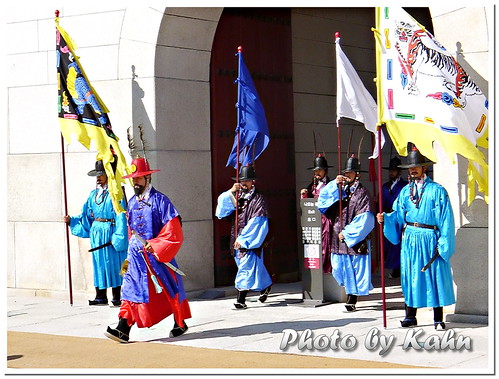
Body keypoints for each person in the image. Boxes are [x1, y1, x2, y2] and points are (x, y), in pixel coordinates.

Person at [105, 157, 191, 343]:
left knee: (170, 290)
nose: (135, 182)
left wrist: (158, 244)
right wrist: (127, 257)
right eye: (133, 179)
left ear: (148, 178)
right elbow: (130, 230)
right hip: (135, 257)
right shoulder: (132, 202)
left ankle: (180, 322)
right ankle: (123, 327)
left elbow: (173, 228)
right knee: (129, 289)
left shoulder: (161, 201)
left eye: (139, 178)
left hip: (157, 256)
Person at [376, 147, 455, 330]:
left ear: (424, 168)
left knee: (434, 276)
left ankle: (438, 318)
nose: (413, 170)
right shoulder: (405, 192)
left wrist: (443, 243)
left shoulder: (437, 191)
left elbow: (446, 219)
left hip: (430, 238)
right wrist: (386, 219)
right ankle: (410, 316)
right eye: (410, 167)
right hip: (410, 238)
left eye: (416, 166)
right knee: (410, 275)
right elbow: (397, 214)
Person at [64, 159, 128, 307]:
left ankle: (117, 295)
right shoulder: (93, 195)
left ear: (108, 175)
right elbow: (85, 215)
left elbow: (121, 216)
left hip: (111, 231)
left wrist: (119, 236)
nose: (98, 177)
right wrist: (71, 220)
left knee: (115, 263)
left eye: (101, 174)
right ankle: (100, 295)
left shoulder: (115, 194)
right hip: (97, 233)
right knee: (99, 263)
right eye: (97, 175)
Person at [317, 154, 375, 312]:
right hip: (338, 236)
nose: (347, 175)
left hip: (354, 237)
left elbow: (366, 217)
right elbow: (322, 202)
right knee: (339, 268)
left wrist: (349, 233)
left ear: (358, 174)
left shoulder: (363, 193)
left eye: (350, 173)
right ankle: (350, 293)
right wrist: (333, 185)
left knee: (355, 268)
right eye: (346, 173)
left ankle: (352, 297)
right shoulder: (340, 190)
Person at [215, 165, 272, 310]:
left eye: (246, 181)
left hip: (249, 239)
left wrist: (244, 239)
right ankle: (265, 286)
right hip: (236, 236)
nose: (243, 183)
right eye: (242, 181)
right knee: (251, 267)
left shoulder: (259, 198)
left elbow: (258, 221)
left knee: (246, 268)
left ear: (253, 181)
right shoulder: (237, 196)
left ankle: (241, 299)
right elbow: (221, 212)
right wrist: (231, 192)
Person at [300, 154, 334, 273]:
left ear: (325, 171)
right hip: (314, 221)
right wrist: (304, 195)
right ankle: (316, 272)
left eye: (319, 170)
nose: (317, 173)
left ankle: (327, 270)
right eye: (315, 171)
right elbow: (307, 203)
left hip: (326, 220)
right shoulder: (312, 186)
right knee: (314, 248)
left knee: (326, 246)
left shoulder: (331, 185)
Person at [381, 156, 408, 279]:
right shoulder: (385, 186)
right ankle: (393, 267)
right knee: (389, 244)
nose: (392, 173)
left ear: (399, 172)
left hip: (399, 218)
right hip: (388, 219)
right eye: (390, 170)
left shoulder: (405, 186)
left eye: (394, 170)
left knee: (399, 245)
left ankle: (399, 269)